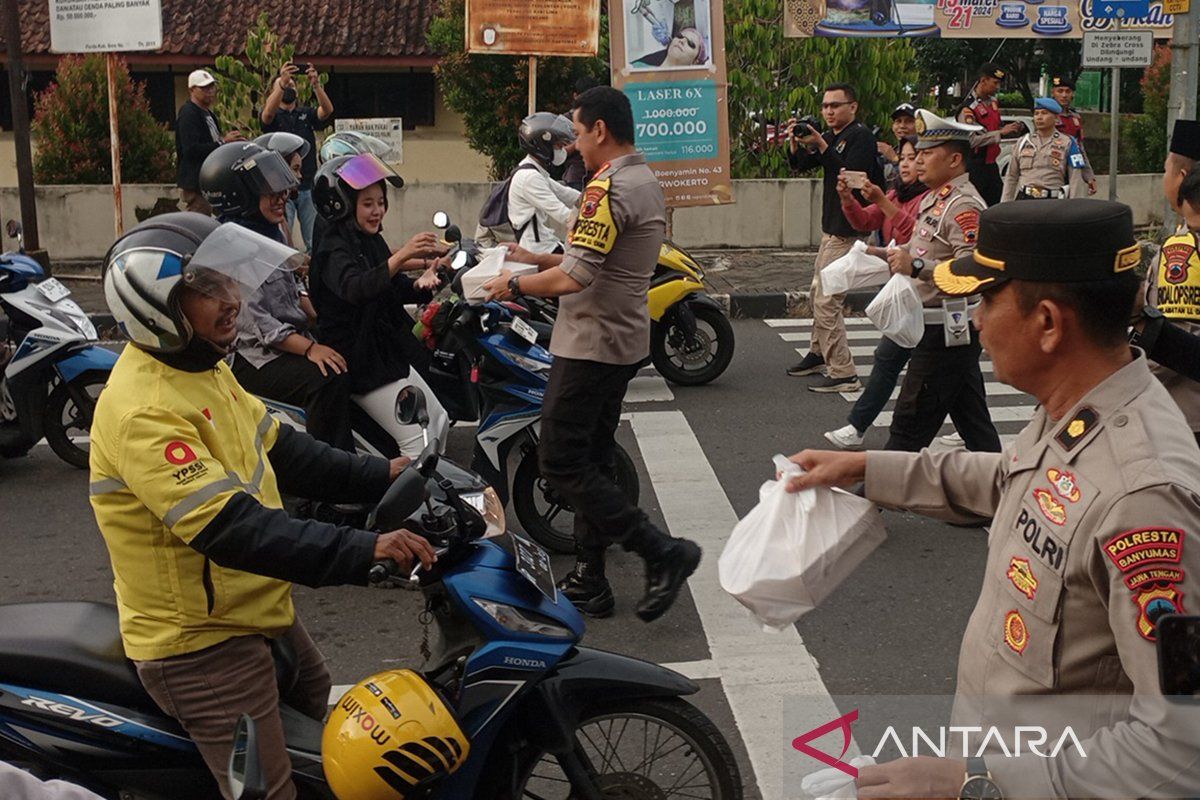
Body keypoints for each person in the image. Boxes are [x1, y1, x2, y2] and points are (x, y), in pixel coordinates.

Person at [786, 199, 1200, 800]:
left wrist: (976, 783)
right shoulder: (1079, 406)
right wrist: (865, 467)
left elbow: (1182, 747)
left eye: (985, 299)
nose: (975, 319)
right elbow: (1009, 479)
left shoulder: (1147, 500)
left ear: (1049, 323)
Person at [91, 212, 437, 799]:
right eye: (203, 290)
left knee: (330, 729)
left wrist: (385, 472)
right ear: (156, 309)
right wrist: (365, 550)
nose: (230, 300)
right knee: (273, 793)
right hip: (201, 643)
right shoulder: (143, 410)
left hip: (255, 608)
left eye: (226, 281)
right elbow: (235, 529)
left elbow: (285, 451)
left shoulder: (202, 367)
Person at [481, 86, 701, 622]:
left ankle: (661, 552)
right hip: (622, 337)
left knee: (558, 461)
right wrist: (534, 257)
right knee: (592, 458)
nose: (574, 145)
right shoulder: (643, 178)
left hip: (592, 342)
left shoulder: (607, 188)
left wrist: (512, 288)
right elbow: (595, 253)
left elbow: (577, 274)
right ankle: (590, 577)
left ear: (600, 130)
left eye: (577, 133)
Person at [199, 142, 354, 453]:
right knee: (326, 378)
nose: (282, 197)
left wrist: (323, 316)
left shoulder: (268, 231)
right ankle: (332, 481)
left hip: (284, 338)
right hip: (252, 356)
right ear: (239, 195)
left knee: (350, 344)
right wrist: (311, 348)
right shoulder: (231, 245)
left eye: (282, 190)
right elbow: (260, 325)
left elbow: (292, 291)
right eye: (270, 191)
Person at [865, 109, 1001, 453]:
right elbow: (921, 247)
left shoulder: (963, 205)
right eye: (918, 153)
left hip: (945, 329)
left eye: (927, 153)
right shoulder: (935, 197)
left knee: (908, 427)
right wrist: (883, 256)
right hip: (938, 326)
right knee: (974, 423)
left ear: (955, 159)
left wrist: (918, 266)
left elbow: (973, 268)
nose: (918, 160)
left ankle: (869, 499)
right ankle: (1001, 492)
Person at [308, 152, 449, 458]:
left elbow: (389, 286)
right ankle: (411, 504)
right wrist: (401, 257)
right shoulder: (333, 248)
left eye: (381, 202)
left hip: (385, 352)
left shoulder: (367, 239)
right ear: (342, 204)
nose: (378, 211)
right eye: (368, 203)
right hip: (359, 359)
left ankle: (435, 499)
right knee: (417, 440)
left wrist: (424, 282)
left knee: (437, 421)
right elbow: (356, 288)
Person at [824, 136, 927, 450]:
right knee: (941, 373)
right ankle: (857, 427)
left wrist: (883, 202)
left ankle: (858, 427)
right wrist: (848, 199)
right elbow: (865, 219)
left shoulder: (931, 200)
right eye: (904, 158)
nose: (907, 164)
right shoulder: (898, 192)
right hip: (905, 289)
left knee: (894, 361)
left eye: (914, 158)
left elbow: (913, 234)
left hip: (926, 292)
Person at [785, 82, 884, 393]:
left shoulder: (861, 137)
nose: (828, 111)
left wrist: (823, 146)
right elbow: (801, 165)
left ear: (852, 107)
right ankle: (818, 353)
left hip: (849, 231)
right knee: (819, 291)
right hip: (832, 228)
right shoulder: (832, 136)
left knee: (827, 301)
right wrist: (796, 143)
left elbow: (849, 178)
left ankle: (844, 372)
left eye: (835, 105)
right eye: (825, 106)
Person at [1146, 120, 1200, 447]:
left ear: (1181, 179)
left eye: (1167, 170)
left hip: (1184, 414)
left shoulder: (1182, 249)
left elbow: (1173, 339)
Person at [261, 62, 334, 253]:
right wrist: (281, 84)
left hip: (307, 184)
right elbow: (266, 115)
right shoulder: (273, 116)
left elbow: (326, 111)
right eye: (285, 85)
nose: (288, 88)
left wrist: (316, 85)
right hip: (281, 188)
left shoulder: (305, 114)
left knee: (313, 239)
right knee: (283, 239)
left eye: (292, 85)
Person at [508, 112, 582, 254]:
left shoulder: (534, 171)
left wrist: (594, 200)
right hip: (537, 249)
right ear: (543, 146)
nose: (562, 151)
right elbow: (561, 213)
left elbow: (565, 193)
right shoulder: (529, 177)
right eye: (558, 146)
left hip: (544, 242)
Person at [1000, 97, 1095, 202]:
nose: (1039, 117)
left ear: (1056, 118)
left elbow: (1075, 178)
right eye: (1036, 114)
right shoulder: (1023, 142)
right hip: (1025, 199)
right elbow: (1011, 177)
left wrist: (1074, 206)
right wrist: (1005, 204)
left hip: (1053, 200)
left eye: (1044, 113)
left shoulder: (1068, 142)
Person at [175, 69, 243, 215]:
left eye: (212, 87)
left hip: (211, 180)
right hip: (196, 183)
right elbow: (191, 149)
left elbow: (213, 142)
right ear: (192, 90)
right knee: (199, 223)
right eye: (204, 88)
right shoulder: (188, 113)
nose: (210, 91)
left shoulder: (209, 114)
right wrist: (222, 142)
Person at [957, 62, 1023, 207]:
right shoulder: (969, 108)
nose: (997, 87)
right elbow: (972, 140)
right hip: (975, 166)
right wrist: (1000, 132)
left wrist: (1009, 129)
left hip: (991, 164)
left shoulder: (993, 103)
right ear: (983, 80)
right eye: (995, 83)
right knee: (974, 205)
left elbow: (994, 128)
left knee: (998, 204)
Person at [561, 77, 600, 190]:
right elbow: (559, 154)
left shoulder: (601, 119)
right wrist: (578, 141)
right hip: (575, 178)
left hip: (599, 175)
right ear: (575, 96)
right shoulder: (565, 120)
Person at [876, 103, 917, 190]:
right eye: (898, 121)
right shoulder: (893, 150)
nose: (902, 126)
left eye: (909, 121)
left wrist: (894, 159)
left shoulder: (923, 152)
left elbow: (912, 182)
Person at [632, 27, 707, 68]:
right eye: (679, 36)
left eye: (690, 43)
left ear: (695, 62)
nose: (681, 41)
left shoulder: (693, 92)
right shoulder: (636, 67)